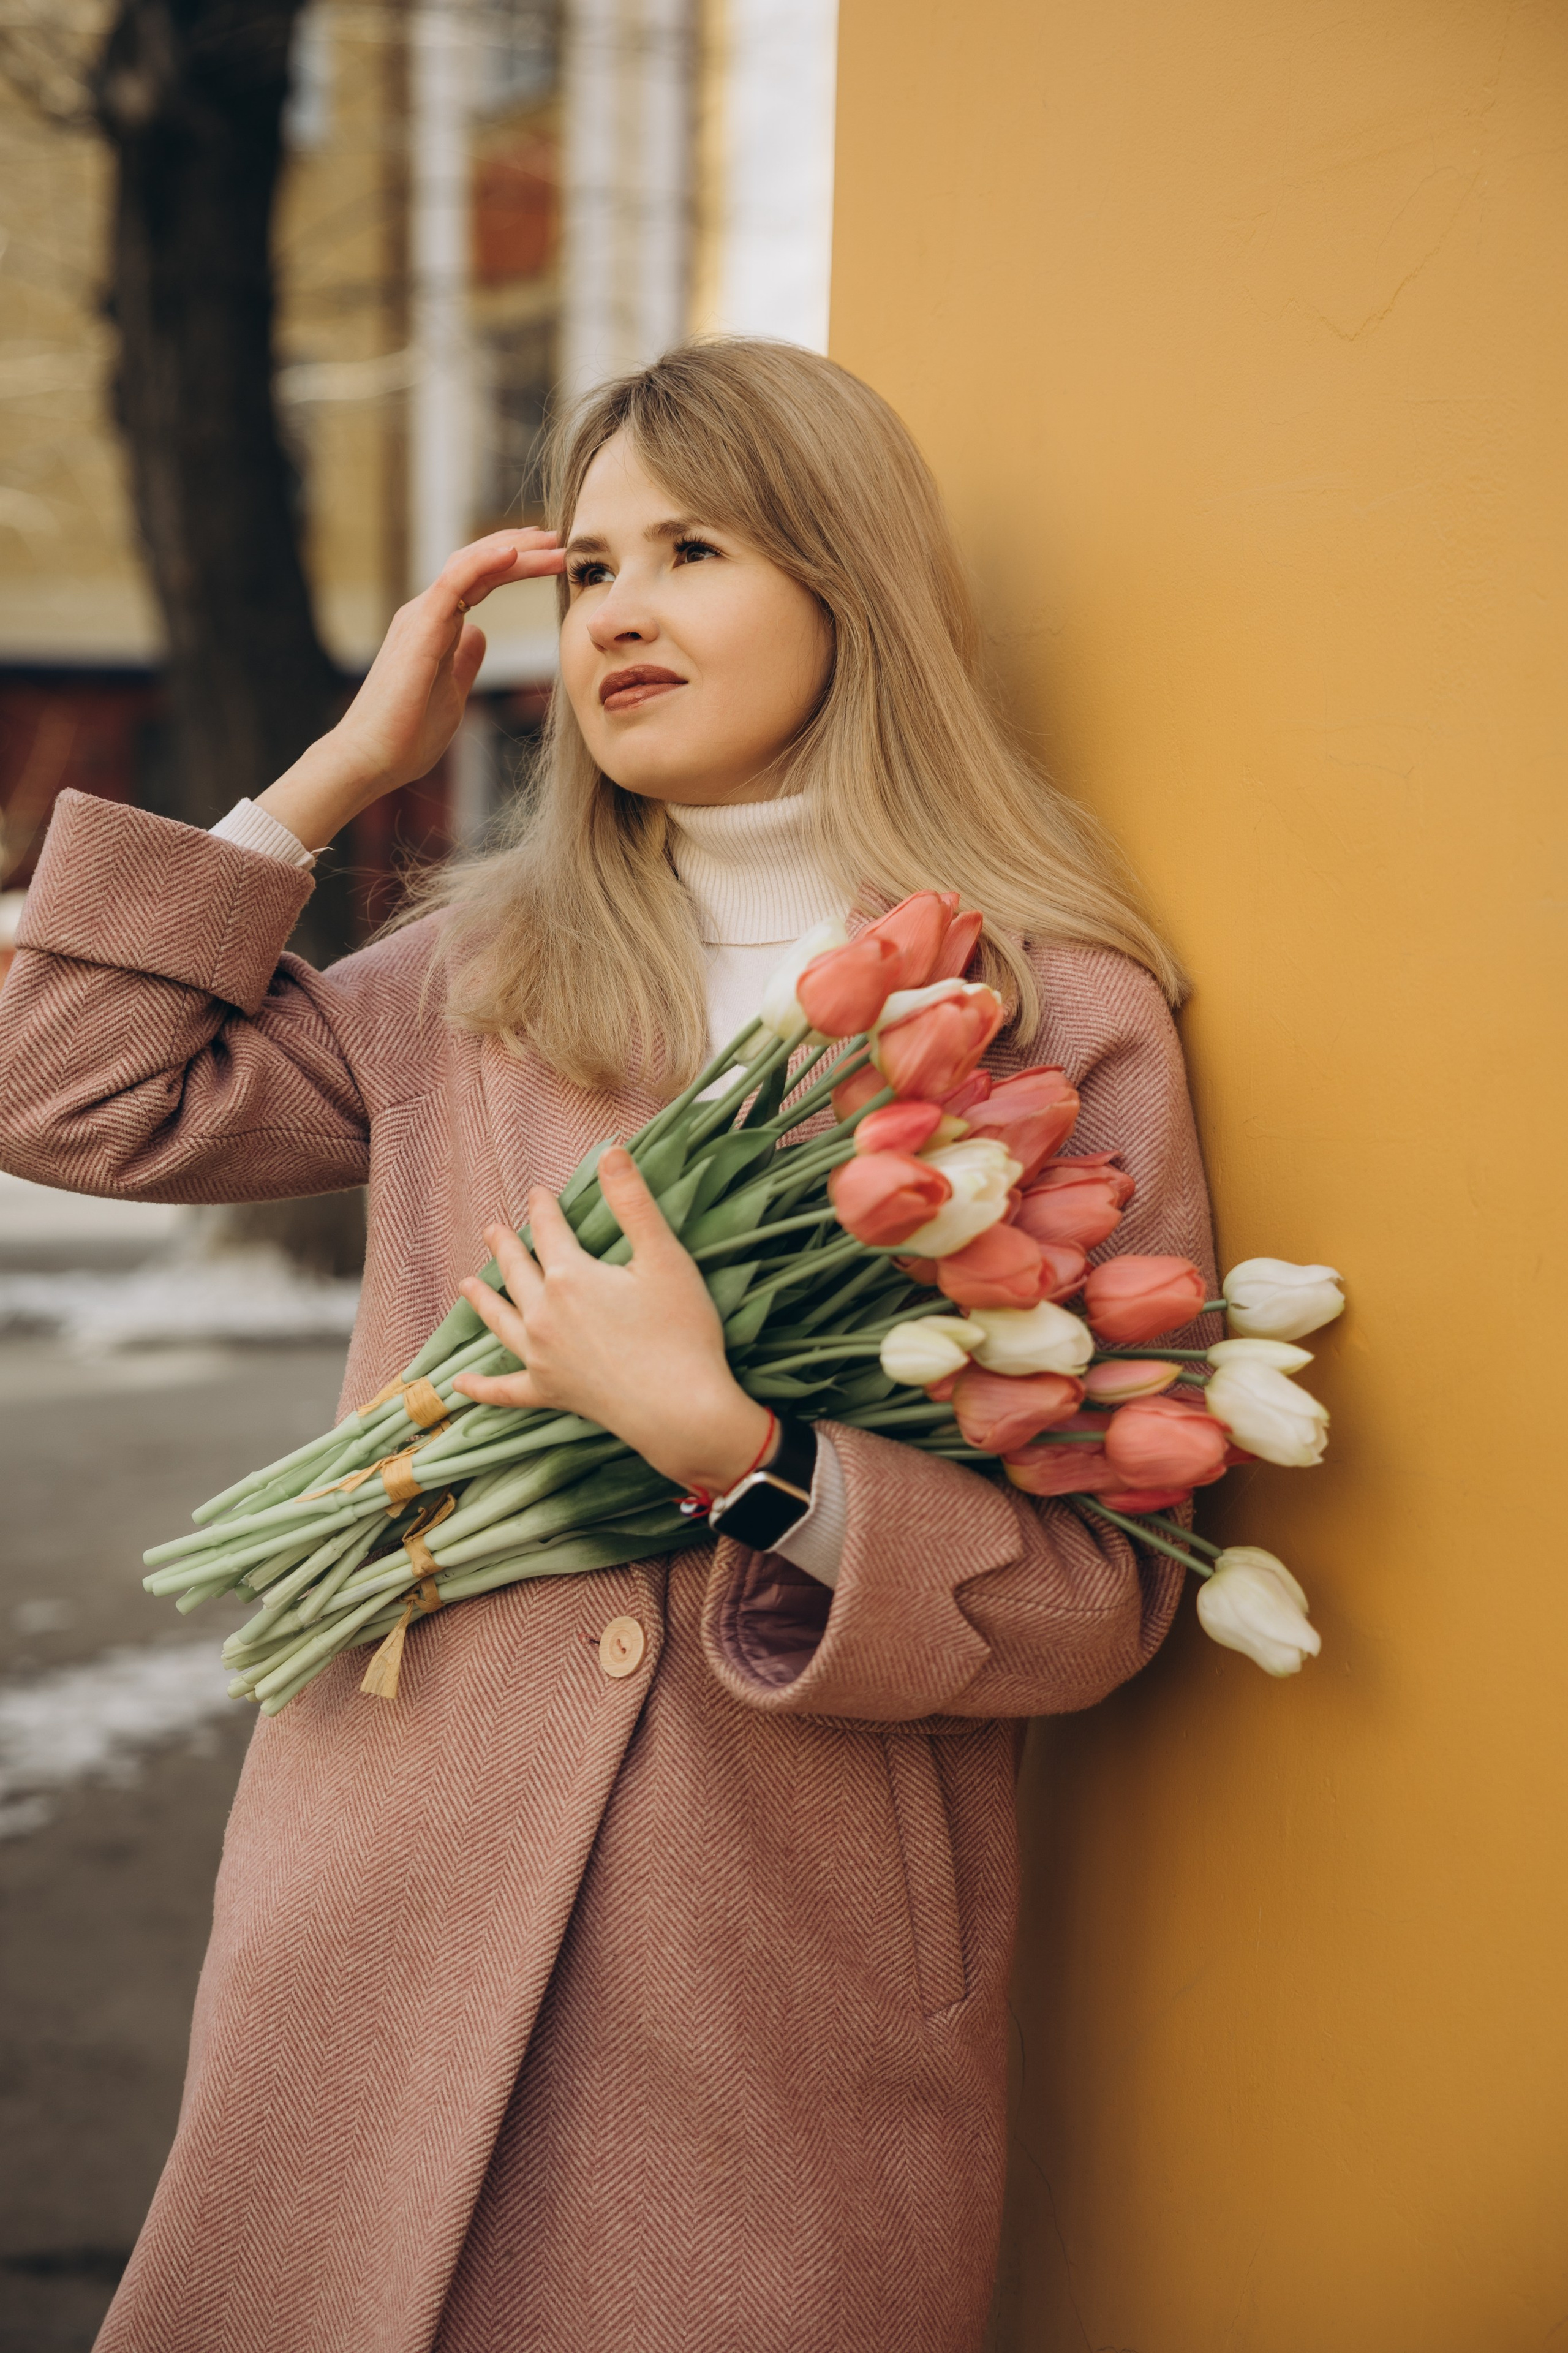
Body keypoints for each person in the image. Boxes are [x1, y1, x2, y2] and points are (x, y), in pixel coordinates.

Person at [0, 339, 1215, 2353]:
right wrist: (330, 771)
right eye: (590, 571)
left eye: (697, 547)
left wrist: (745, 1448)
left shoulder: (1049, 1013)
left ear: (848, 582)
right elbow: (61, 1089)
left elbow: (1095, 1591)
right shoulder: (486, 970)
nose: (622, 608)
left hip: (778, 1959)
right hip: (386, 1893)